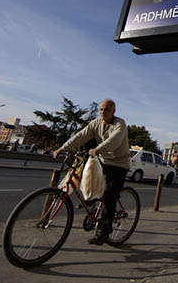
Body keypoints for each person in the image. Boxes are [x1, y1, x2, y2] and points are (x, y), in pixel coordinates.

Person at [52, 99, 131, 246]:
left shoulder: (120, 124)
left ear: (114, 111)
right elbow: (81, 135)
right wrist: (63, 148)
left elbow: (115, 140)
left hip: (119, 164)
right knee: (86, 177)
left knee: (109, 195)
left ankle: (104, 232)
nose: (103, 112)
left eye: (107, 109)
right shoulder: (96, 123)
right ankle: (92, 200)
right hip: (102, 160)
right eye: (101, 109)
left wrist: (98, 149)